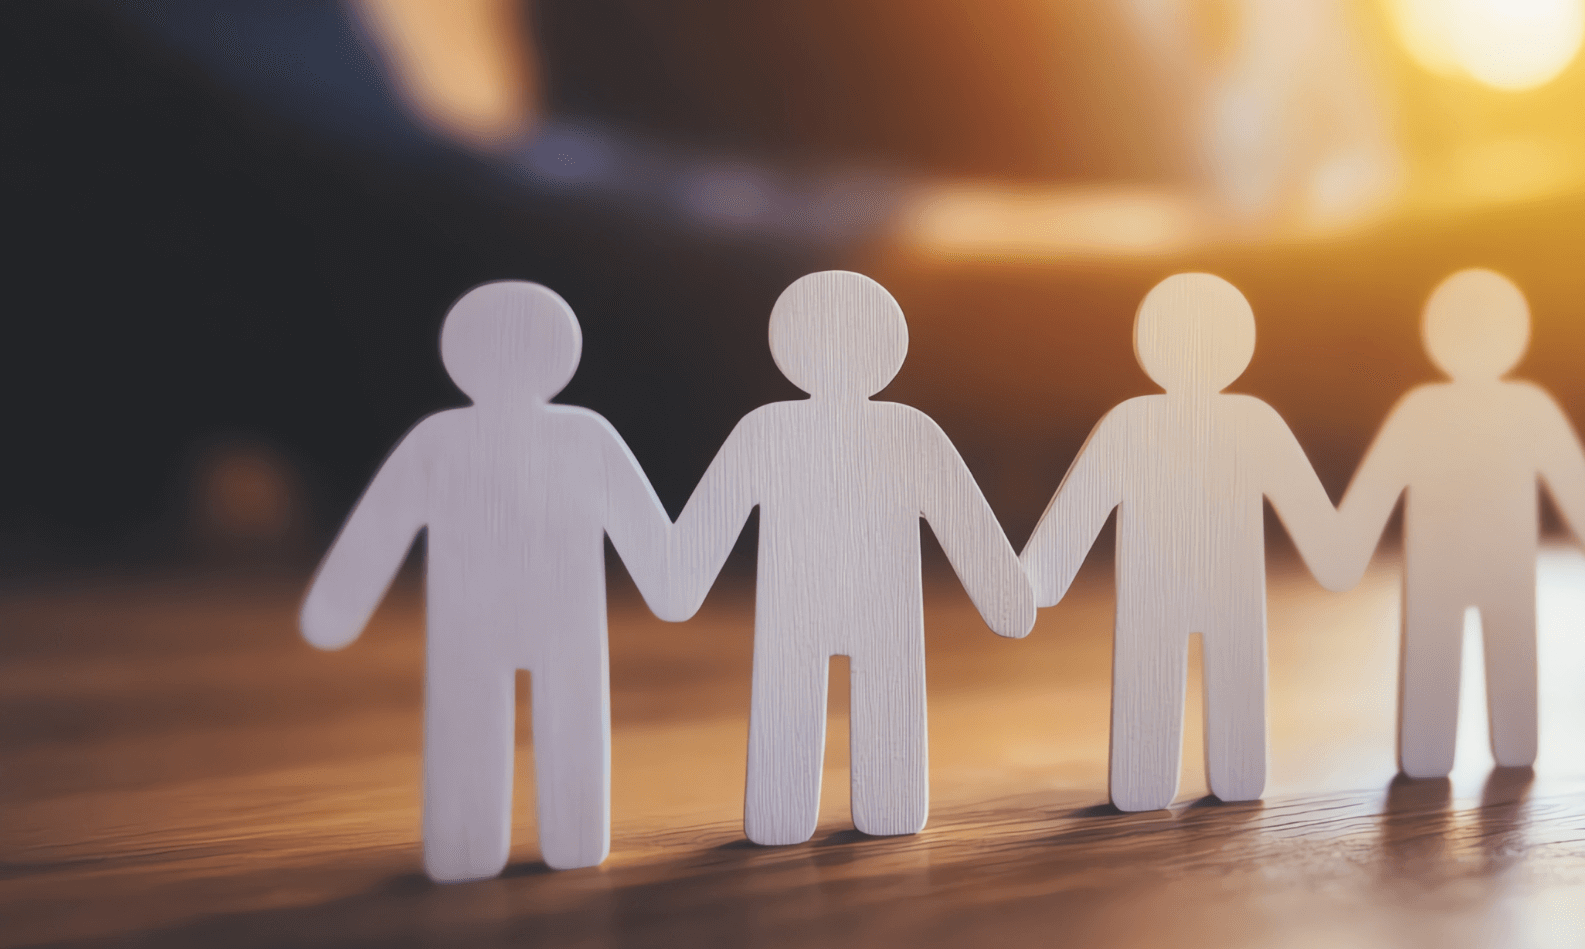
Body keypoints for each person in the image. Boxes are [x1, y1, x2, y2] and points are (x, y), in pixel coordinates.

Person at [299, 281, 683, 883]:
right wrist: (673, 584)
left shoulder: (447, 438)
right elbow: (651, 543)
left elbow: (377, 527)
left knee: (494, 723)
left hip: (489, 625)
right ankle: (554, 837)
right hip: (540, 623)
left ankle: (488, 841)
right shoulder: (577, 435)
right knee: (545, 722)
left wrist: (337, 607)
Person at [666, 271, 1034, 846]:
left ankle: (796, 817)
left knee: (816, 707)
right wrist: (1007, 597)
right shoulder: (899, 430)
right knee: (848, 705)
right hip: (853, 613)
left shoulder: (770, 429)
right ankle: (854, 809)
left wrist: (673, 584)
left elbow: (692, 552)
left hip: (818, 612)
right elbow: (971, 530)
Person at [1022, 272, 1347, 812]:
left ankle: (1174, 779)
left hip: (1200, 593)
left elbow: (1073, 521)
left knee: (1217, 682)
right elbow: (1079, 509)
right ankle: (1173, 779)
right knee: (1171, 680)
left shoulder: (1151, 421)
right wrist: (1033, 583)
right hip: (1181, 593)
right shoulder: (1217, 421)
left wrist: (1034, 585)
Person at [1333, 270, 1585, 776]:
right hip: (1471, 572)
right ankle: (1469, 751)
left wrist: (1338, 553)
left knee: (1478, 658)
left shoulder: (1429, 409)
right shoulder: (1516, 407)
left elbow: (1366, 504)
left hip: (1477, 573)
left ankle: (1466, 751)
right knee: (1451, 658)